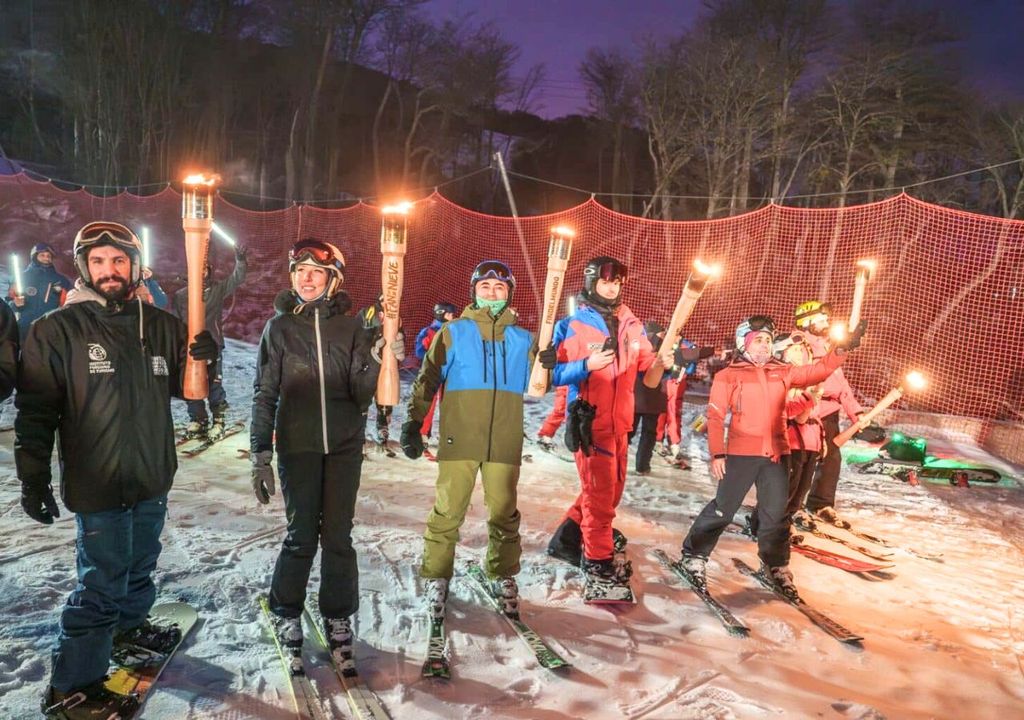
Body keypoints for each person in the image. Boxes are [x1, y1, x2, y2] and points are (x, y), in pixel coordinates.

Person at [16, 221, 217, 718]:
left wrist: (204, 358)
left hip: (151, 473)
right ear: (85, 268)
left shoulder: (162, 325)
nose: (110, 270)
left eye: (119, 261)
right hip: (97, 480)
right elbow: (36, 412)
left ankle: (129, 629)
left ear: (134, 266)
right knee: (102, 582)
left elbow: (190, 388)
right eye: (99, 261)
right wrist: (33, 476)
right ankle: (73, 687)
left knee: (141, 563)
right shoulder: (56, 330)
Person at [250, 238, 395, 672]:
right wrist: (260, 452)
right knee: (300, 536)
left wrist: (377, 359)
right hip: (297, 446)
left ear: (333, 280)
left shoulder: (351, 328)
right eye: (300, 271)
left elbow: (361, 395)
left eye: (316, 272)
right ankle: (286, 611)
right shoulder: (279, 329)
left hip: (345, 447)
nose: (306, 278)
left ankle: (337, 616)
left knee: (337, 537)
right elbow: (265, 393)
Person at [400, 260, 553, 621]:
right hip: (461, 436)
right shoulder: (454, 332)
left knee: (504, 513)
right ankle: (437, 575)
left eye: (499, 288)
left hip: (504, 439)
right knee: (449, 511)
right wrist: (413, 422)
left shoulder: (524, 339)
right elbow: (427, 379)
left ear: (509, 294)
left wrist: (550, 363)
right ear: (474, 291)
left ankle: (501, 573)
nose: (492, 293)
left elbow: (543, 384)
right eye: (485, 287)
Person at [678, 315, 866, 598]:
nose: (764, 345)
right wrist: (717, 454)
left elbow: (820, 370)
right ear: (744, 343)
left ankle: (775, 564)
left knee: (775, 515)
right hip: (741, 454)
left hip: (777, 456)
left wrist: (841, 350)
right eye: (758, 340)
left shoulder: (783, 371)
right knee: (723, 509)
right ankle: (694, 555)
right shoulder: (728, 375)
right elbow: (715, 417)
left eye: (767, 340)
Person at [545, 257, 668, 597]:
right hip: (590, 422)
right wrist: (587, 364)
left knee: (609, 492)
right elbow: (553, 375)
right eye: (604, 282)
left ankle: (566, 539)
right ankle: (597, 560)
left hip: (621, 424)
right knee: (600, 499)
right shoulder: (572, 325)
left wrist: (663, 362)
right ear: (591, 283)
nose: (611, 288)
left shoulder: (631, 323)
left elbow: (647, 368)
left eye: (616, 283)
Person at [792, 301, 865, 523]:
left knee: (831, 459)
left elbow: (842, 386)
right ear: (807, 322)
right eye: (821, 319)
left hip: (830, 413)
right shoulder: (798, 346)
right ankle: (793, 505)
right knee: (802, 461)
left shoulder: (827, 347)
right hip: (808, 411)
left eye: (826, 319)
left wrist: (856, 413)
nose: (826, 323)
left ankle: (821, 503)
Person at [172, 243, 248, 439]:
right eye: (197, 268)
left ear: (209, 271)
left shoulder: (217, 289)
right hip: (191, 346)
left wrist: (240, 261)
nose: (201, 272)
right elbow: (177, 320)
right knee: (190, 381)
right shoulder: (181, 296)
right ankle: (198, 419)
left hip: (213, 344)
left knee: (214, 382)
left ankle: (218, 419)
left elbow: (237, 278)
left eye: (204, 268)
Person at [359, 295, 406, 452]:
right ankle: (359, 431)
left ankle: (382, 427)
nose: (388, 303)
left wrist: (400, 347)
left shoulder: (396, 316)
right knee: (363, 398)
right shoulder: (369, 312)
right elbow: (360, 335)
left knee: (384, 397)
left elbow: (400, 336)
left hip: (387, 364)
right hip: (368, 363)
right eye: (384, 300)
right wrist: (369, 351)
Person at [7, 241, 74, 341]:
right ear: (34, 256)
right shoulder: (21, 277)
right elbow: (9, 301)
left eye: (49, 256)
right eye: (42, 255)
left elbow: (68, 305)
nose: (46, 258)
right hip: (24, 329)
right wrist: (14, 304)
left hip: (49, 330)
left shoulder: (61, 280)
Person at [413, 301, 455, 442]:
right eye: (450, 314)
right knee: (427, 405)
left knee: (450, 405)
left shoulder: (453, 331)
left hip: (449, 374)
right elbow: (419, 352)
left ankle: (448, 437)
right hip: (432, 373)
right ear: (442, 314)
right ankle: (422, 437)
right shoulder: (428, 332)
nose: (452, 316)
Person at [632, 321, 669, 476]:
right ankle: (642, 466)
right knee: (646, 434)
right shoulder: (659, 347)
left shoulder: (637, 344)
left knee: (631, 432)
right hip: (647, 399)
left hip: (638, 399)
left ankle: (622, 461)